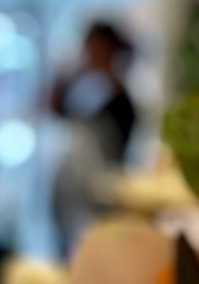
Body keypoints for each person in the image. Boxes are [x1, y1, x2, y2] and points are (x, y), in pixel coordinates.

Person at [49, 17, 139, 259]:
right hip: (76, 201)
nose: (87, 53)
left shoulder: (120, 98)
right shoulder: (91, 89)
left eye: (92, 46)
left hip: (102, 202)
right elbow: (56, 110)